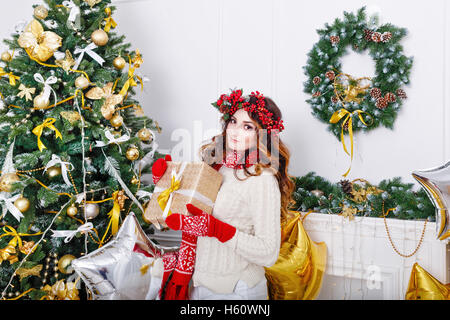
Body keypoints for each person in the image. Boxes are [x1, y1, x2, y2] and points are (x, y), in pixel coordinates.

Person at [152, 89, 295, 300]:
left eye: (247, 127)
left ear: (263, 134)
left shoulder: (261, 179)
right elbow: (188, 215)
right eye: (233, 122)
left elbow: (268, 253)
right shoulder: (215, 165)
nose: (235, 131)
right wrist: (166, 186)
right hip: (197, 283)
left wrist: (217, 229)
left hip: (237, 290)